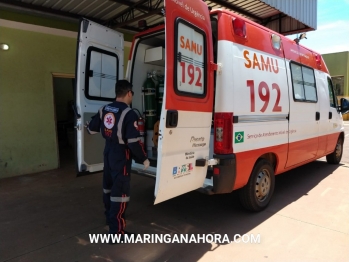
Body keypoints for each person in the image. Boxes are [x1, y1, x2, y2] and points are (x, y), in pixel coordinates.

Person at [86, 80, 149, 242]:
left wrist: (88, 126)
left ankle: (109, 217)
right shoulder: (129, 114)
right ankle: (117, 232)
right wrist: (143, 158)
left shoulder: (104, 109)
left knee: (108, 187)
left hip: (108, 152)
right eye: (132, 93)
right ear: (129, 93)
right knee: (120, 192)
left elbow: (91, 129)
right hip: (121, 155)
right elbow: (133, 142)